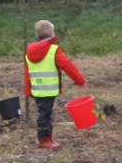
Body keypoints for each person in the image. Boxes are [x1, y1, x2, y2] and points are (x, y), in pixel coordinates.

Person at [25, 20, 86, 149]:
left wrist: (28, 91)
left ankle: (46, 138)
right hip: (49, 90)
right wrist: (79, 80)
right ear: (52, 33)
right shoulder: (53, 50)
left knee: (44, 113)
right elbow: (68, 66)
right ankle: (44, 140)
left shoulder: (29, 51)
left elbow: (27, 73)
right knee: (45, 115)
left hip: (37, 90)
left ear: (37, 35)